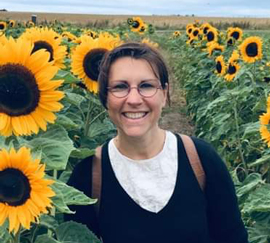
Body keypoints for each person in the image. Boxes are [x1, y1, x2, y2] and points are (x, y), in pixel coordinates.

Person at [65, 42, 248, 243]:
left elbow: (233, 237)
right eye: (120, 87)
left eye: (146, 86)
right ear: (105, 98)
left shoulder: (202, 160)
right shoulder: (88, 176)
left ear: (164, 94)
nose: (134, 99)